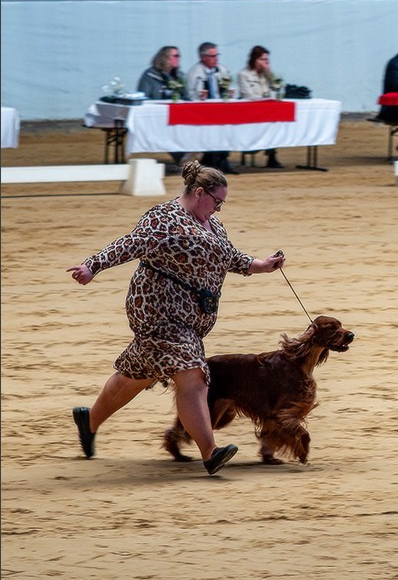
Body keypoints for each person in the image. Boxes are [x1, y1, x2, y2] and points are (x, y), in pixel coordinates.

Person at [67, 161, 288, 475]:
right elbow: (130, 244)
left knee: (136, 374)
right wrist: (93, 265)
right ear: (199, 193)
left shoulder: (212, 224)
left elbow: (230, 256)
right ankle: (210, 452)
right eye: (217, 202)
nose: (219, 209)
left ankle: (88, 422)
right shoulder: (164, 218)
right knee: (192, 374)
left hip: (190, 319)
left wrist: (263, 265)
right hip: (158, 311)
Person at [184, 42, 236, 174]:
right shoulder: (194, 73)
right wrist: (199, 96)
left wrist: (230, 92)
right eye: (212, 56)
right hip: (203, 112)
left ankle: (222, 158)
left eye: (217, 55)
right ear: (203, 57)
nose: (216, 58)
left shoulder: (222, 69)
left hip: (222, 110)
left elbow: (232, 87)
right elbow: (190, 95)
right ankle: (211, 159)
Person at [137, 45, 189, 167]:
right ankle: (184, 159)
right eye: (175, 56)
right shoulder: (149, 75)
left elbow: (186, 97)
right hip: (156, 117)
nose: (178, 58)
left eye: (179, 56)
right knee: (169, 129)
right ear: (165, 58)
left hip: (177, 115)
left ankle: (194, 157)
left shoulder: (179, 76)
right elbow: (143, 97)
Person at [237, 45, 283, 169]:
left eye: (267, 60)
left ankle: (272, 156)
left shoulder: (265, 75)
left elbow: (277, 87)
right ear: (255, 59)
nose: (265, 62)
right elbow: (247, 95)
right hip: (250, 111)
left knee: (276, 123)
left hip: (265, 111)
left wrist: (269, 72)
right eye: (263, 60)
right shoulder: (244, 74)